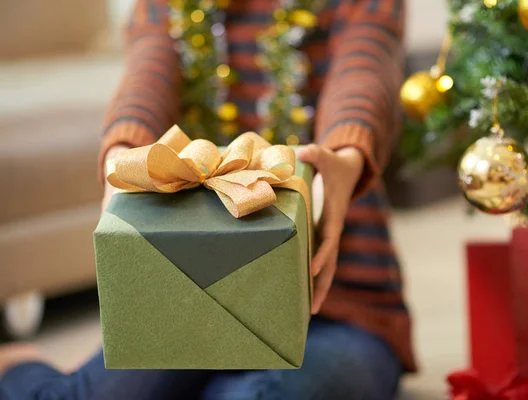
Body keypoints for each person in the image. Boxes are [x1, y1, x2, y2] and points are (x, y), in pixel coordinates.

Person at [0, 0, 415, 398]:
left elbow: (364, 74)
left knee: (250, 396)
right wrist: (122, 155)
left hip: (341, 311)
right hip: (192, 299)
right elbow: (149, 76)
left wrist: (343, 159)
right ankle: (18, 364)